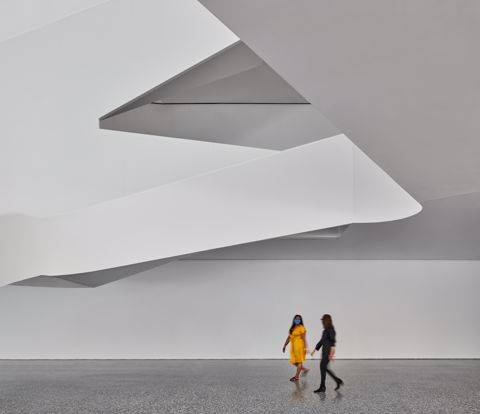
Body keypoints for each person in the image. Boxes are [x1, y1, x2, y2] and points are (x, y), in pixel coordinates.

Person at [310, 314, 344, 392]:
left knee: (323, 367)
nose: (322, 322)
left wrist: (331, 354)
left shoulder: (331, 329)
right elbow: (321, 341)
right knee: (324, 368)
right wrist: (315, 349)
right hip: (324, 351)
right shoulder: (325, 330)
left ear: (326, 320)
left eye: (323, 320)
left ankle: (323, 386)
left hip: (328, 352)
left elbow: (333, 343)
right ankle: (337, 381)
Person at [283, 314, 310, 382]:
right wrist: (285, 345)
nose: (297, 320)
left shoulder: (302, 328)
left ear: (300, 320)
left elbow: (304, 339)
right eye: (296, 319)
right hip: (293, 347)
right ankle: (305, 370)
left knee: (299, 361)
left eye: (298, 319)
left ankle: (296, 377)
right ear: (294, 320)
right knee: (293, 361)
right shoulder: (292, 328)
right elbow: (289, 337)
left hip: (300, 347)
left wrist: (305, 347)